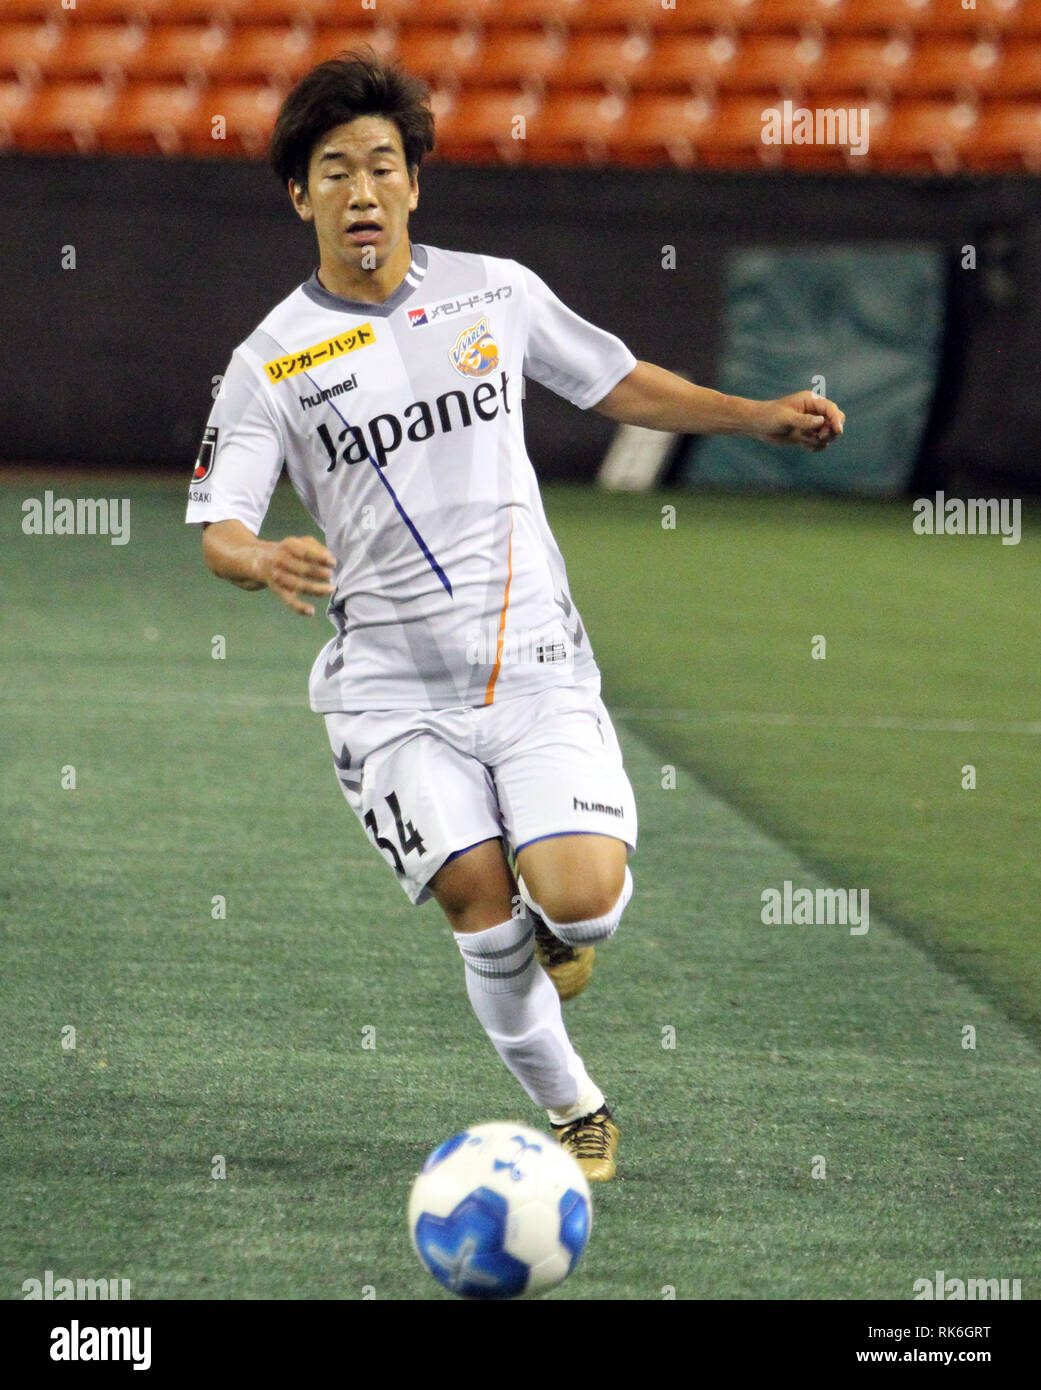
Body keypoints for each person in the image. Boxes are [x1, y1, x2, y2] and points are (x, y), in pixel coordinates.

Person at [186, 50, 845, 1183]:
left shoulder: (496, 291)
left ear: (413, 185)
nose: (360, 191)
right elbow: (220, 522)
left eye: (381, 166)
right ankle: (578, 1109)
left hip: (534, 663)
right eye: (333, 169)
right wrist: (259, 559)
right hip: (391, 692)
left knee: (581, 903)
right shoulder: (269, 363)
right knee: (479, 904)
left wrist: (752, 417)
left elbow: (615, 379)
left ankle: (562, 940)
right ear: (300, 195)